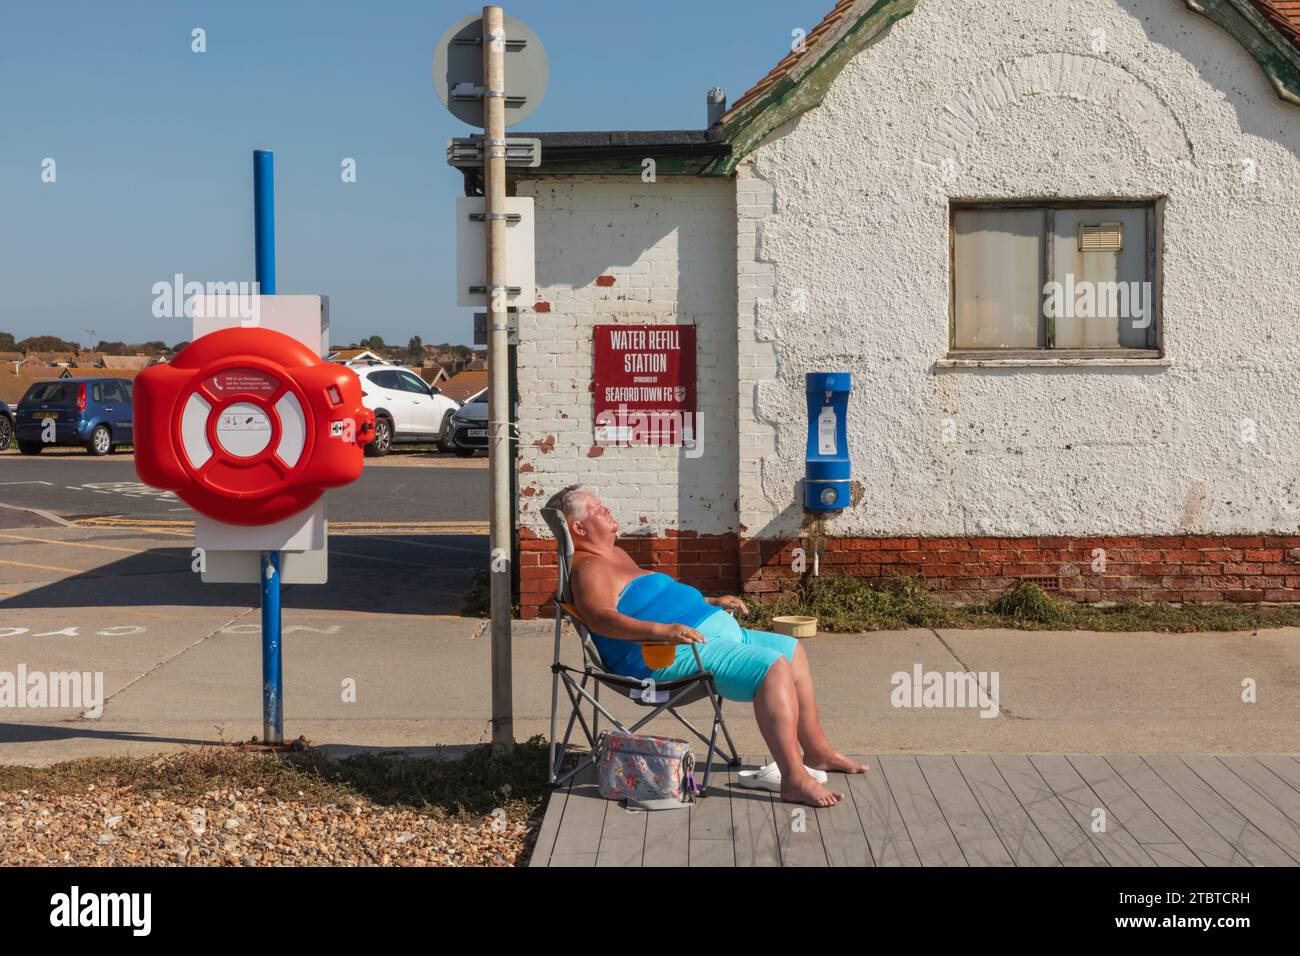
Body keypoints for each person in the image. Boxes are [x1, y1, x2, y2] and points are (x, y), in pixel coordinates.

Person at [547, 483, 868, 808]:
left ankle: (817, 751)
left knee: (790, 649)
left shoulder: (615, 554)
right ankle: (794, 779)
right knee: (771, 668)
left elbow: (656, 598)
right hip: (662, 657)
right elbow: (601, 618)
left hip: (701, 636)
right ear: (578, 527)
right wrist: (663, 630)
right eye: (599, 509)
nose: (608, 510)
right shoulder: (590, 568)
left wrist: (710, 601)